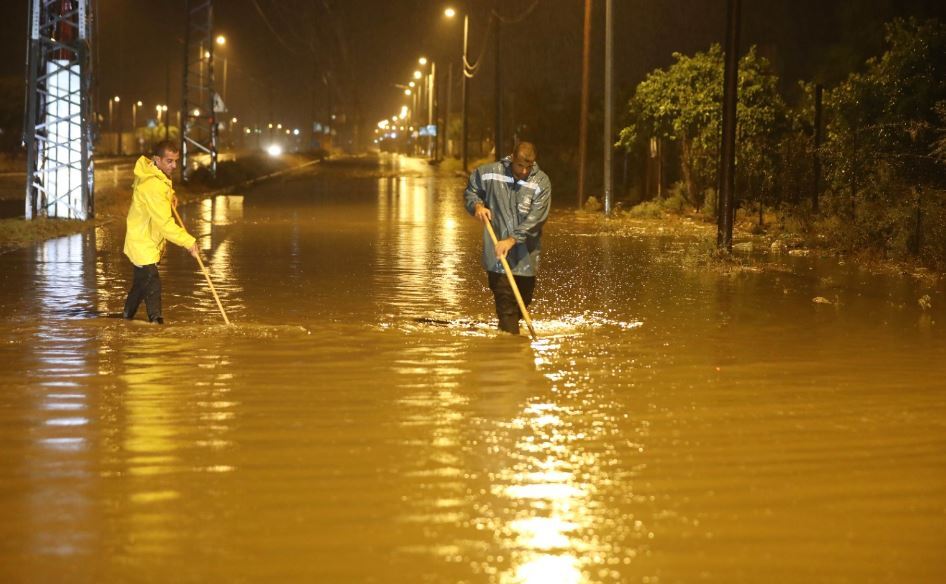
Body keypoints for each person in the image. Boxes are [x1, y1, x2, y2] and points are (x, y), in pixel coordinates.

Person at [464, 141, 551, 334]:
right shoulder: (490, 173)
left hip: (526, 256)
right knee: (506, 305)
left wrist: (511, 240)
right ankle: (510, 351)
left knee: (523, 302)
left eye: (529, 167)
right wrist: (477, 206)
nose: (524, 171)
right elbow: (472, 190)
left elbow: (537, 219)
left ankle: (505, 330)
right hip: (497, 256)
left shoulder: (541, 183)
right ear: (512, 158)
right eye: (520, 165)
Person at [122, 140, 199, 324]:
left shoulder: (153, 175)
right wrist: (188, 242)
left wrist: (169, 196)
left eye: (176, 161)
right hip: (143, 242)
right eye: (169, 161)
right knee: (152, 281)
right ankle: (157, 325)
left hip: (144, 239)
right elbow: (165, 224)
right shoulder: (153, 185)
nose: (174, 165)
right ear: (157, 159)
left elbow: (154, 199)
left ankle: (125, 319)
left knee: (141, 284)